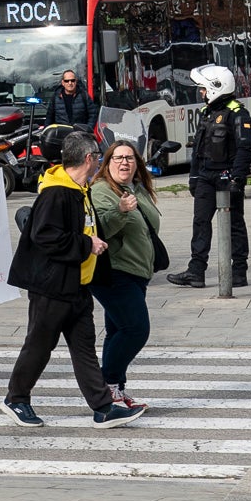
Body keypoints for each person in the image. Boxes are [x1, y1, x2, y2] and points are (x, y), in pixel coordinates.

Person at [3, 133, 144, 428]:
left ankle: (103, 408)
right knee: (39, 346)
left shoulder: (80, 189)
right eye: (99, 158)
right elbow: (44, 236)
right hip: (52, 287)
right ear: (90, 158)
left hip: (77, 285)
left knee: (84, 348)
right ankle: (16, 399)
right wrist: (86, 244)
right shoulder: (57, 192)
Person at [92, 138, 162, 410]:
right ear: (107, 163)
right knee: (136, 329)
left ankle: (116, 390)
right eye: (118, 158)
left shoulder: (139, 188)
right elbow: (99, 229)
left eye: (130, 158)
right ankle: (106, 384)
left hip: (136, 270)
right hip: (113, 271)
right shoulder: (101, 190)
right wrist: (120, 211)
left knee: (117, 329)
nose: (124, 162)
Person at [169, 63, 251, 288]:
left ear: (216, 87)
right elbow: (198, 148)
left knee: (234, 224)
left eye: (204, 89)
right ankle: (196, 271)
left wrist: (237, 178)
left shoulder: (238, 114)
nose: (201, 93)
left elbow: (245, 149)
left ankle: (239, 272)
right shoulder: (207, 112)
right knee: (200, 222)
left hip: (227, 176)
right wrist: (194, 177)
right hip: (206, 176)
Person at [44, 69, 99, 135]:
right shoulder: (55, 98)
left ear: (76, 81)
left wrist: (87, 130)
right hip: (61, 136)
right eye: (67, 81)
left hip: (80, 136)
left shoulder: (84, 96)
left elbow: (93, 114)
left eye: (72, 80)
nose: (70, 83)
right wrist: (46, 134)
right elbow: (49, 118)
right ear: (63, 83)